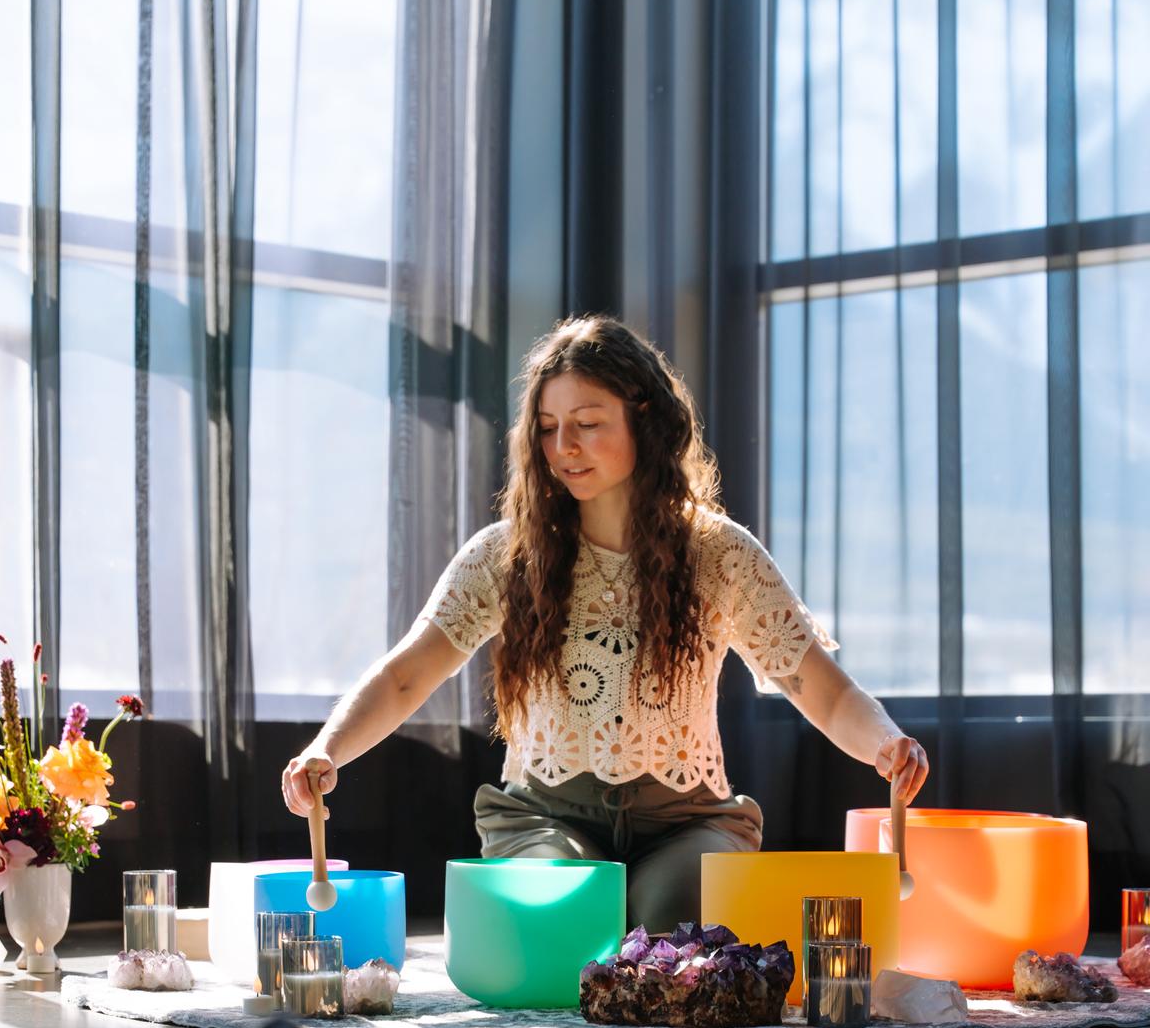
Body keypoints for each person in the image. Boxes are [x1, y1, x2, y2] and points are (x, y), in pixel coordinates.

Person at [282, 314, 928, 929]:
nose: (563, 447)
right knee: (567, 916)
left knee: (675, 930)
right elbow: (405, 675)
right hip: (542, 818)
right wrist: (326, 750)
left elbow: (816, 683)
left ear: (643, 419)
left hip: (687, 822)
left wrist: (886, 743)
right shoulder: (505, 554)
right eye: (546, 427)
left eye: (587, 423)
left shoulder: (720, 553)